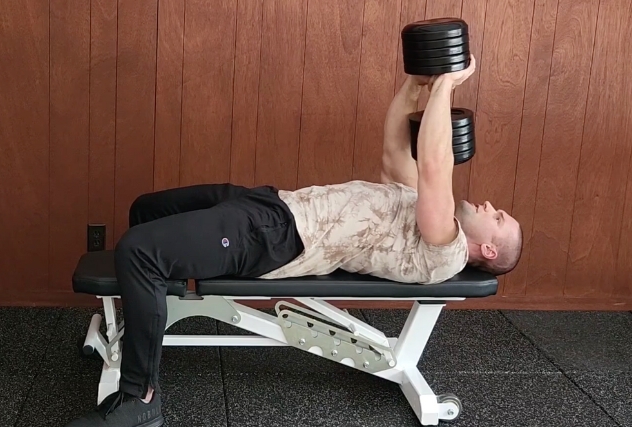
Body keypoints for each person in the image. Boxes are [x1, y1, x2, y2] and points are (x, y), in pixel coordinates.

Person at [65, 55, 523, 427]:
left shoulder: (446, 246)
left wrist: (447, 83)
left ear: (486, 250)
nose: (489, 207)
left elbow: (436, 165)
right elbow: (395, 152)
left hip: (276, 237)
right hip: (272, 207)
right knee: (148, 209)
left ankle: (140, 396)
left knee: (139, 251)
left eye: (498, 218)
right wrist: (417, 84)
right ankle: (153, 323)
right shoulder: (419, 205)